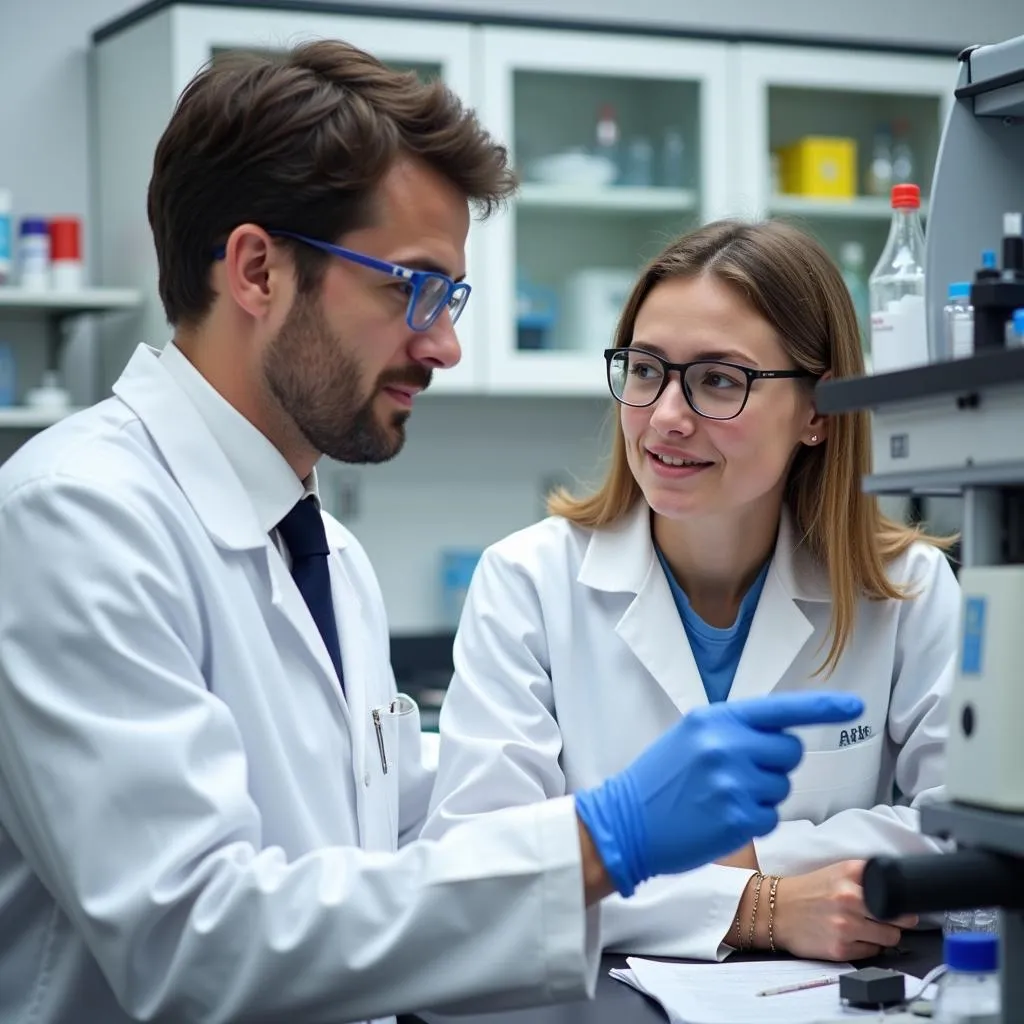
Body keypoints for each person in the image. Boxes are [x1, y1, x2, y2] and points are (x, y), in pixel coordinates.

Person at [0, 46, 862, 1024]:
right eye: (411, 288)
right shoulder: (77, 518)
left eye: (449, 298)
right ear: (256, 270)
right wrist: (604, 835)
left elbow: (385, 841)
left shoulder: (323, 554)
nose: (444, 343)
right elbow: (194, 940)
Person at [423, 219, 960, 965]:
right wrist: (760, 906)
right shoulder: (528, 582)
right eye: (645, 370)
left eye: (719, 380)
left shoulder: (906, 590)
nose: (667, 418)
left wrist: (748, 855)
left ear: (819, 411)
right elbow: (478, 866)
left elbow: (968, 837)